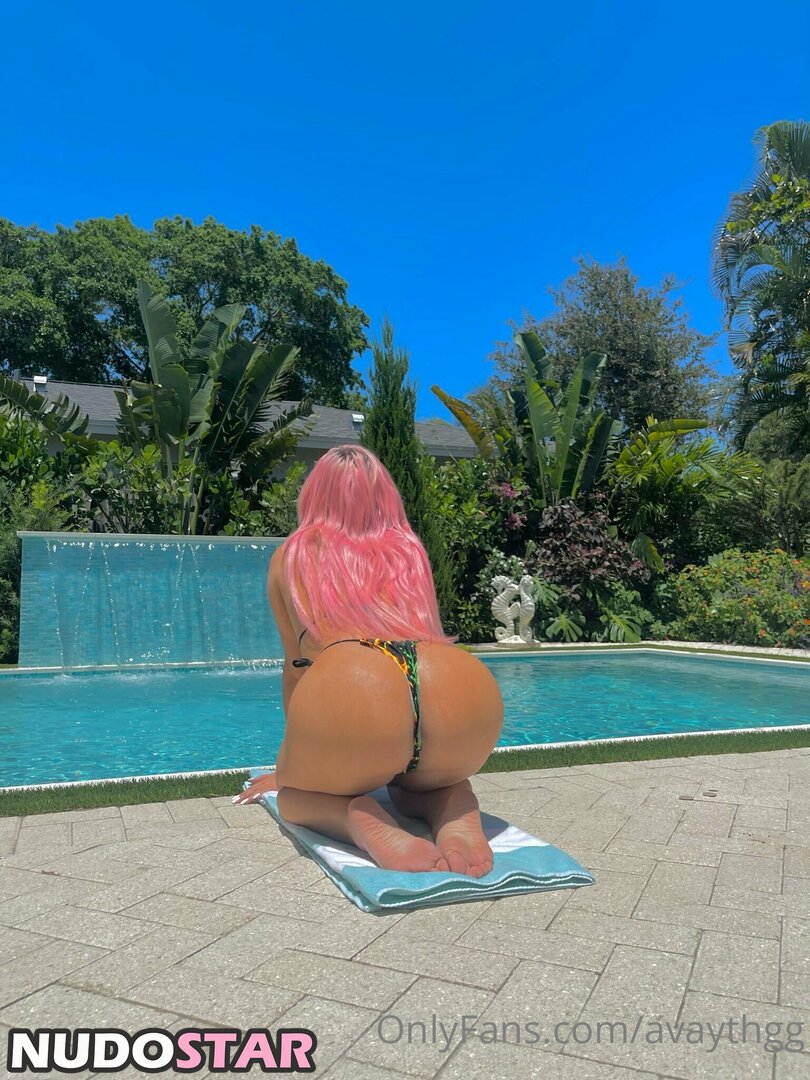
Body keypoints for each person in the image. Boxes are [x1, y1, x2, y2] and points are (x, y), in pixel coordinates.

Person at [234, 445, 504, 877]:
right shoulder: (408, 549)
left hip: (354, 684)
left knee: (296, 798)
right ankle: (451, 801)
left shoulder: (293, 554)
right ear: (385, 497)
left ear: (314, 495)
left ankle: (353, 817)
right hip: (457, 688)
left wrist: (294, 765)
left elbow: (296, 667)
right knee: (421, 781)